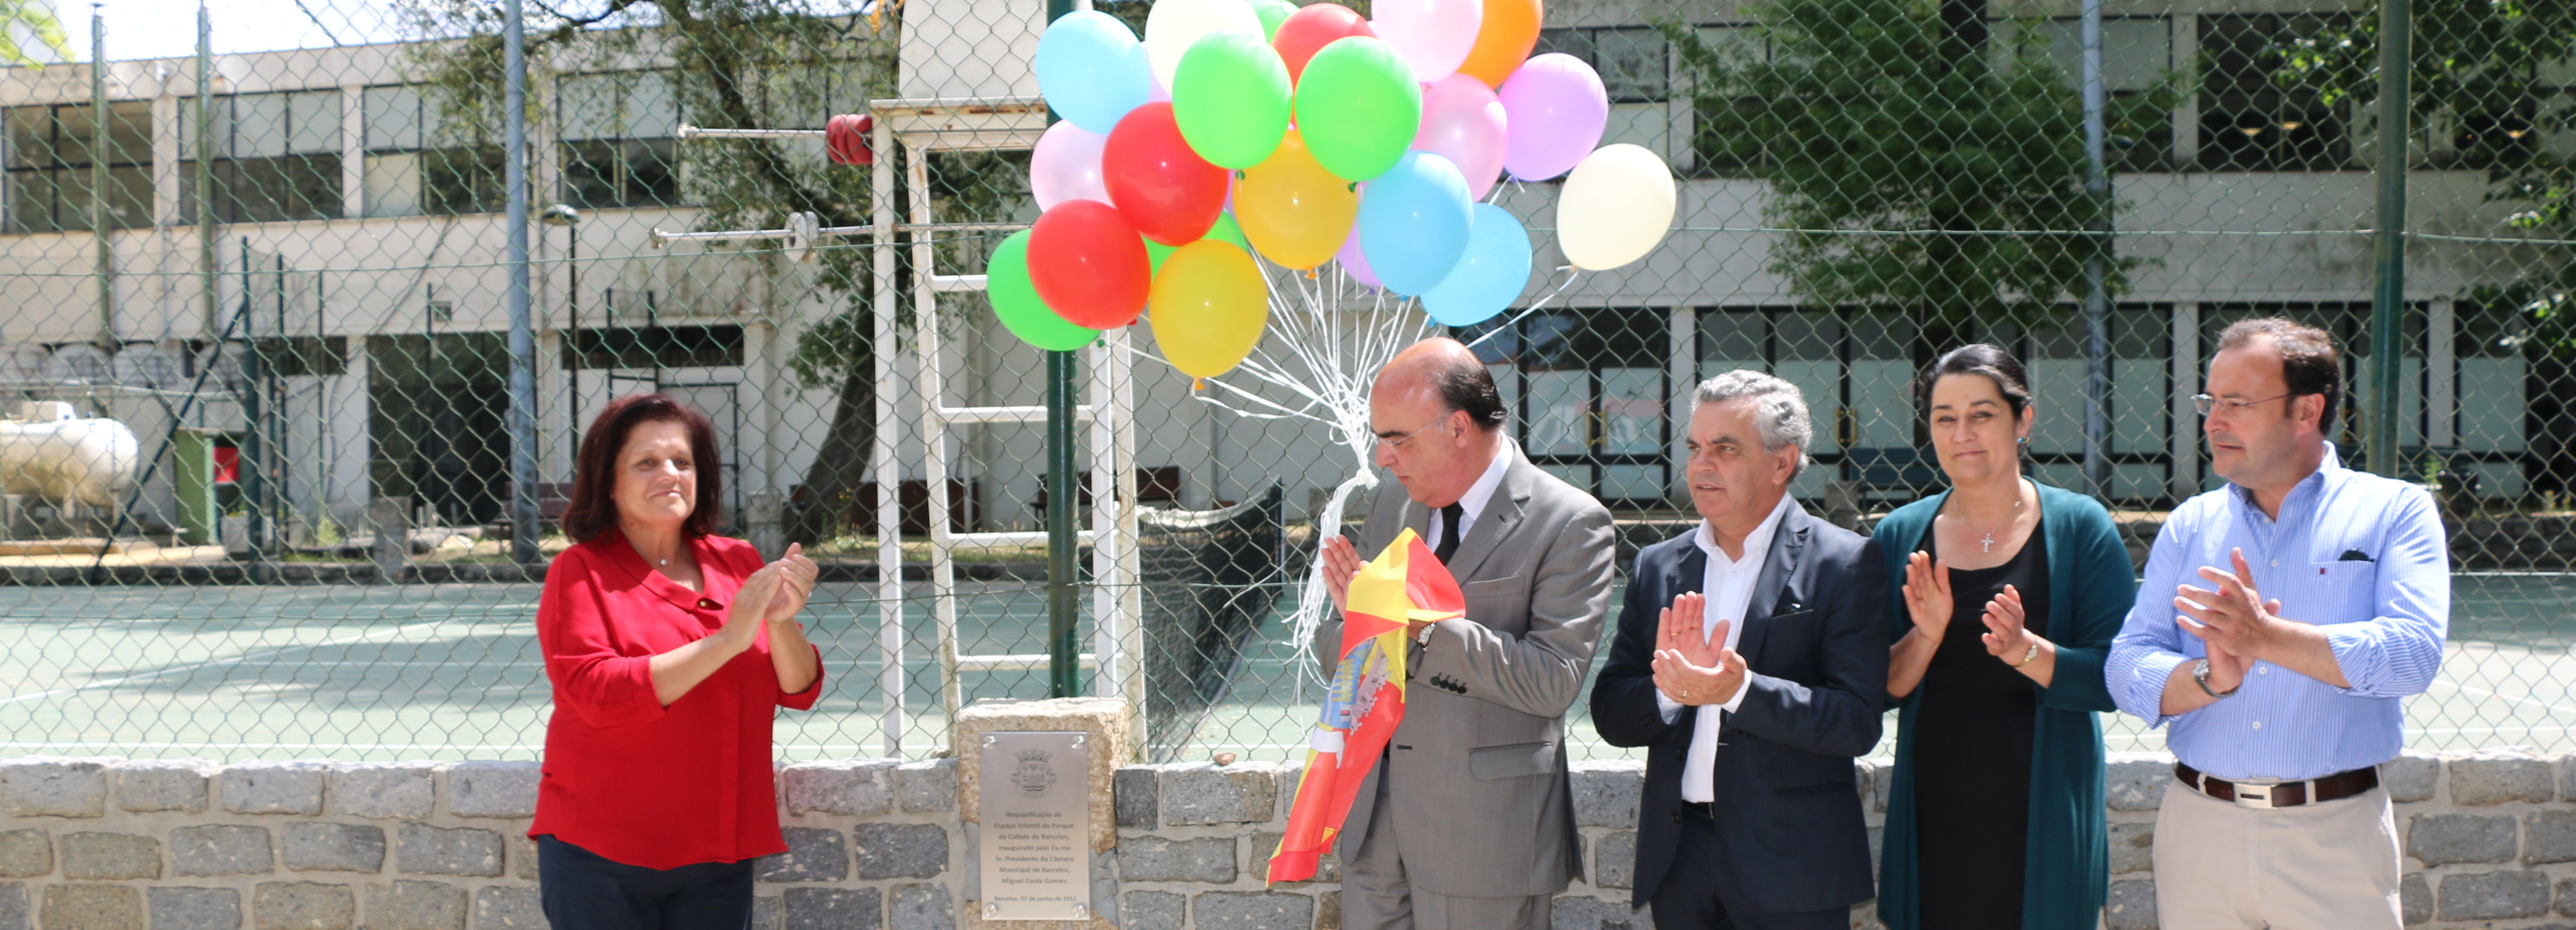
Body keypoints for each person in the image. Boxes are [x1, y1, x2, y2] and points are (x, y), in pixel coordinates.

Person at [2107, 318, 2448, 930]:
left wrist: (2266, 639)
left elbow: (2413, 655)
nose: (2212, 422)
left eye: (2236, 404)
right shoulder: (2190, 523)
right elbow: (2128, 660)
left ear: (2306, 411)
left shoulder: (2395, 510)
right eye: (2210, 402)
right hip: (2197, 831)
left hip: (2336, 837)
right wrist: (2208, 679)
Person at [1315, 337, 1617, 930]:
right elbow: (1336, 648)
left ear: (1458, 427)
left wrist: (1420, 629)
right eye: (1379, 438)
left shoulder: (1570, 521)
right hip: (1374, 830)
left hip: (1485, 843)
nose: (1382, 457)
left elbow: (1551, 682)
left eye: (1396, 438)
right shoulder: (1390, 506)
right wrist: (1362, 624)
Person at [1588, 370, 1886, 930]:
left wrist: (1738, 691)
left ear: (1781, 462)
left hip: (1793, 866)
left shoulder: (1845, 563)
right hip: (1679, 860)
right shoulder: (1658, 566)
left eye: (1725, 449)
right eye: (1696, 448)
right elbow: (1609, 710)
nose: (1701, 466)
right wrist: (1669, 693)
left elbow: (1856, 721)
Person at [528, 393, 825, 930]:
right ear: (609, 482)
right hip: (602, 850)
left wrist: (780, 624)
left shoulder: (738, 560)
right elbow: (596, 691)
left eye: (681, 462)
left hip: (717, 849)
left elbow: (800, 688)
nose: (669, 474)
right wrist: (729, 639)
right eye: (646, 463)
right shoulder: (579, 571)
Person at [1871, 345, 2134, 930]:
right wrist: (1926, 634)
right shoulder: (1898, 535)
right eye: (1945, 417)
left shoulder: (2080, 528)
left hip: (2043, 814)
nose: (1962, 433)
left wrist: (2025, 652)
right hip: (1934, 812)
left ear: (2024, 420)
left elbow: (2118, 677)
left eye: (1982, 414)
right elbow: (1877, 689)